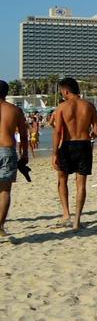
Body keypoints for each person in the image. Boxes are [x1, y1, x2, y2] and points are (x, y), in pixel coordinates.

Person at [50, 77, 97, 230]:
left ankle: (66, 215)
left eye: (61, 92)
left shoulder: (62, 107)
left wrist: (54, 153)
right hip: (84, 145)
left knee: (62, 179)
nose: (62, 94)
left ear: (66, 91)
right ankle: (77, 220)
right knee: (81, 184)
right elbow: (96, 131)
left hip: (67, 145)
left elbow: (57, 131)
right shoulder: (89, 106)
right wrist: (89, 135)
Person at [0, 80, 31, 241]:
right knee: (4, 191)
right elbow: (24, 136)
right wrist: (25, 154)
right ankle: (0, 226)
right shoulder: (15, 110)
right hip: (7, 150)